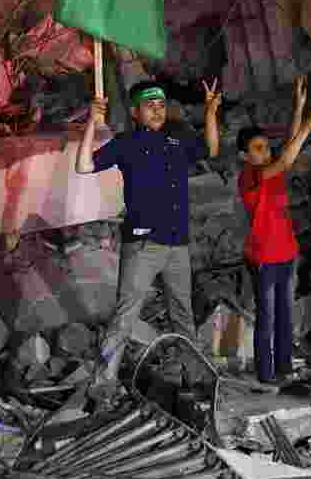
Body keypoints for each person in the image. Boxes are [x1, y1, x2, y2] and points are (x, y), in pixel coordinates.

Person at [76, 78, 222, 392]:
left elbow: (211, 148)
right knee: (125, 315)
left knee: (182, 314)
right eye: (149, 106)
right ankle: (103, 384)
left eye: (160, 105)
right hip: (143, 245)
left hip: (177, 244)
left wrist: (210, 112)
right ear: (134, 112)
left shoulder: (176, 141)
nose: (156, 111)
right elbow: (84, 165)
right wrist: (91, 122)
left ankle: (195, 378)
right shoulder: (126, 143)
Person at [237, 76, 311, 385]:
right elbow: (289, 157)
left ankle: (285, 368)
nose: (265, 152)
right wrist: (308, 129)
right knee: (268, 317)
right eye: (258, 149)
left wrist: (298, 109)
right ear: (245, 157)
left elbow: (287, 148)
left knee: (285, 316)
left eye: (265, 147)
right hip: (264, 257)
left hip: (287, 254)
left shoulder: (269, 171)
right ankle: (265, 372)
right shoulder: (251, 176)